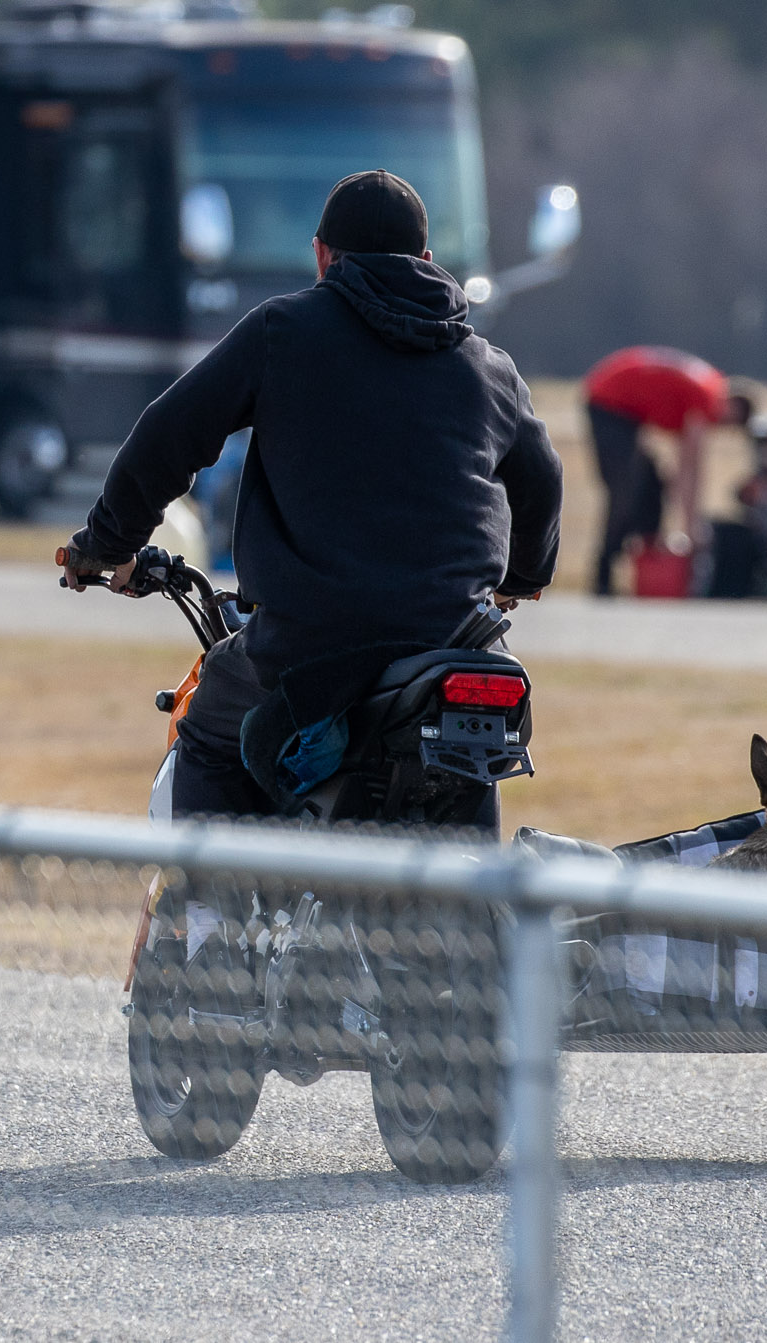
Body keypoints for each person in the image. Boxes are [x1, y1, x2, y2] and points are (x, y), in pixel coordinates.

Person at [61, 170, 562, 1001]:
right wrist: (522, 579)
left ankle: (216, 944)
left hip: (313, 642)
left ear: (324, 256)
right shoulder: (488, 364)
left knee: (209, 730)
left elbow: (169, 434)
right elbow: (541, 479)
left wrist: (104, 544)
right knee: (468, 766)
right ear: (426, 260)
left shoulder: (284, 330)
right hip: (460, 647)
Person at [581, 346, 756, 596]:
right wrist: (692, 529)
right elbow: (690, 469)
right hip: (609, 403)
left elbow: (680, 468)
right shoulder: (707, 398)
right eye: (728, 421)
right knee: (626, 491)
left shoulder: (705, 383)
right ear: (732, 404)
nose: (719, 426)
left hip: (626, 412)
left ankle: (650, 564)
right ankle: (603, 574)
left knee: (652, 485)